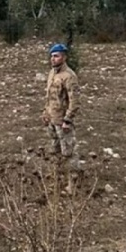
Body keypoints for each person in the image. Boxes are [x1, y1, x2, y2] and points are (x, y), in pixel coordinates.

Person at [42, 43, 80, 191]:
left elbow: (75, 101)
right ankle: (56, 179)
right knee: (54, 150)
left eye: (56, 56)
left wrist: (68, 119)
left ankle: (72, 185)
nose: (53, 59)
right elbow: (49, 97)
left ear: (64, 57)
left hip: (63, 121)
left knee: (69, 152)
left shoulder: (69, 76)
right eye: (52, 56)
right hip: (52, 119)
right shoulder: (52, 73)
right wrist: (45, 113)